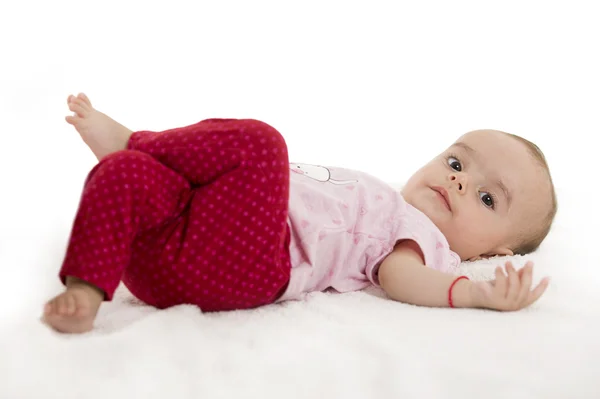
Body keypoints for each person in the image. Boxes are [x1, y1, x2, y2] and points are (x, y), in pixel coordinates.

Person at [42, 93, 557, 334]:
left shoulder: (424, 241)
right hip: (176, 248)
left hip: (251, 263)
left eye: (487, 199)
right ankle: (85, 290)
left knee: (262, 143)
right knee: (126, 175)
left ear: (495, 251)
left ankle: (137, 140)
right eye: (456, 161)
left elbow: (402, 278)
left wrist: (473, 293)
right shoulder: (385, 196)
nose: (459, 181)